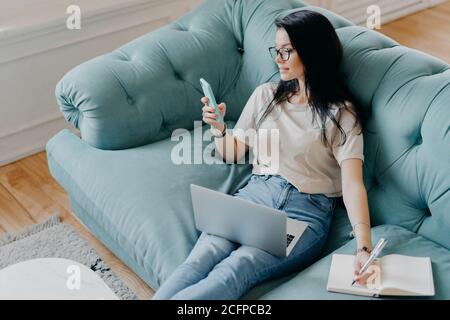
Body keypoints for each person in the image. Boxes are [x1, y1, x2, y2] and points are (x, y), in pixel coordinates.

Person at [153, 10, 373, 300]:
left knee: (236, 269)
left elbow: (352, 184)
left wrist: (364, 247)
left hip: (304, 211)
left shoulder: (341, 113)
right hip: (254, 196)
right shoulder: (265, 96)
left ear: (312, 52)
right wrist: (219, 129)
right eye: (276, 50)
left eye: (286, 51)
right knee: (198, 260)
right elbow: (232, 153)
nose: (277, 58)